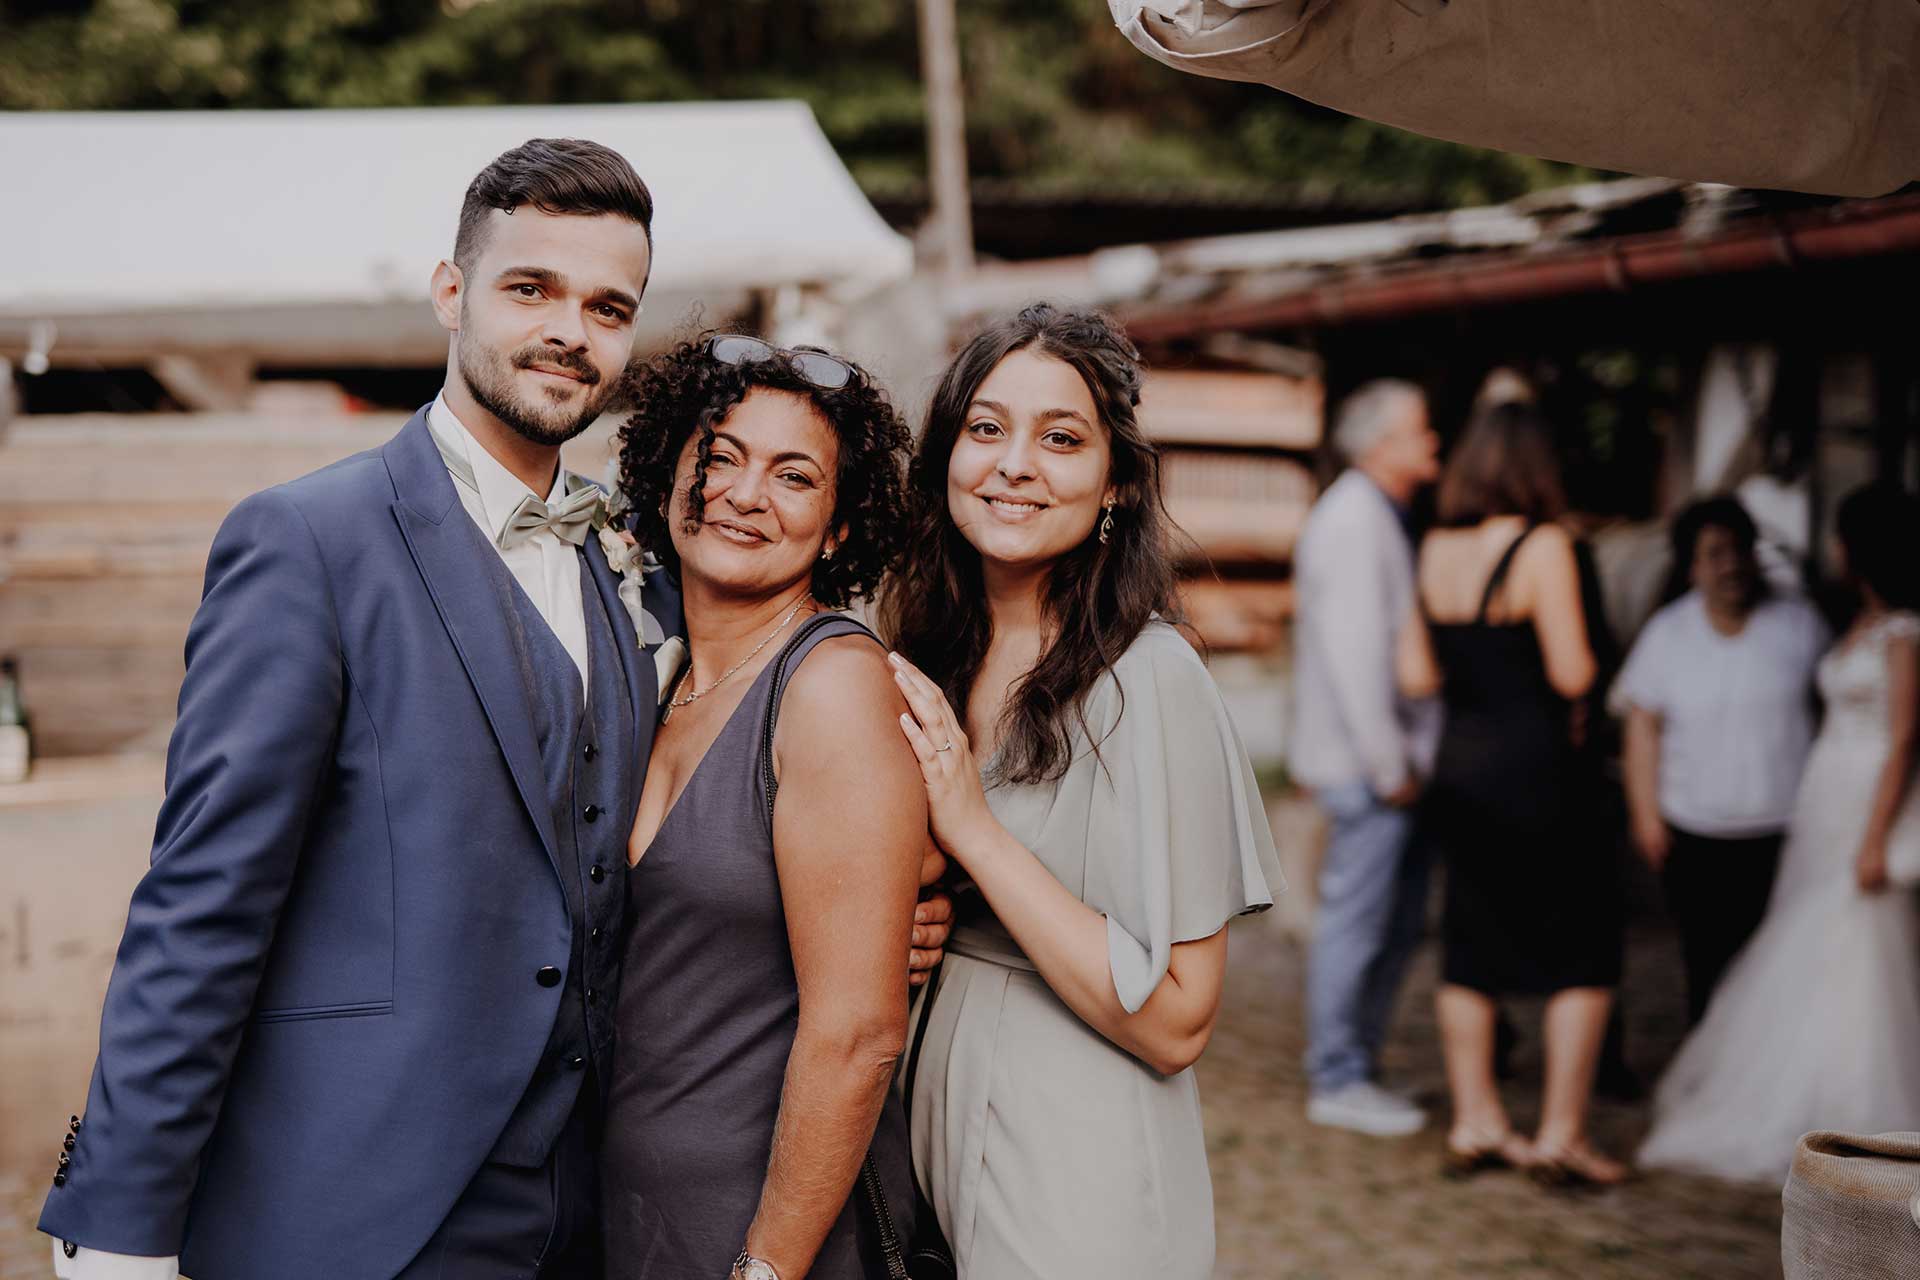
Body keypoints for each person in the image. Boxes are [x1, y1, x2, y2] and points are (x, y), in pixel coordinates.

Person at [38, 140, 950, 1280]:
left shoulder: (641, 576)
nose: (571, 328)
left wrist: (903, 904)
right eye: (533, 289)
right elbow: (200, 903)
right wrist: (117, 1220)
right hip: (350, 1213)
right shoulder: (311, 543)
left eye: (608, 305)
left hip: (579, 1221)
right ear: (452, 292)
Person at [881, 303, 1283, 1280]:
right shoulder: (922, 649)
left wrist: (975, 833)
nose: (1015, 463)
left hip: (1076, 1145)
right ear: (944, 456)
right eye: (986, 427)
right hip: (921, 1115)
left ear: (1114, 482)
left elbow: (1180, 1016)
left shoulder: (1152, 679)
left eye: (1061, 438)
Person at [600, 334, 924, 1280]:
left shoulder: (830, 686)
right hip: (628, 1220)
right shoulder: (653, 679)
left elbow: (859, 1034)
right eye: (723, 457)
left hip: (760, 1237)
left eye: (793, 476)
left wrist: (767, 1268)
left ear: (839, 527)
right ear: (671, 479)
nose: (745, 494)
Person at [1639, 485, 1920, 1184]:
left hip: (1859, 809)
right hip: (1819, 808)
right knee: (1800, 950)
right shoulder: (1857, 621)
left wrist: (1877, 835)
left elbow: (1905, 735)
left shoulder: (1894, 630)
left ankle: (1851, 1103)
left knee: (1858, 956)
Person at [1397, 401, 1627, 1186]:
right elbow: (1572, 673)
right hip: (1541, 771)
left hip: (1460, 766)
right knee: (1584, 949)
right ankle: (1561, 1135)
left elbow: (1416, 677)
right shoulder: (1545, 546)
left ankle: (1476, 1120)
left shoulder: (1432, 547)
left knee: (1469, 943)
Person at [1288, 379, 1443, 1136]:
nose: (1433, 444)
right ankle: (1338, 1074)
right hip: (1368, 768)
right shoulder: (1354, 520)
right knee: (1357, 922)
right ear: (1381, 444)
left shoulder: (1374, 514)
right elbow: (1355, 658)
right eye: (1420, 431)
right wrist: (1391, 766)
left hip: (1378, 764)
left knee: (1388, 923)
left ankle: (1357, 1063)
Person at [1612, 496, 1830, 1025]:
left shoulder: (1801, 625)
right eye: (1714, 554)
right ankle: (1709, 1076)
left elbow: (1832, 713)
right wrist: (1645, 814)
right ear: (1692, 567)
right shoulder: (1668, 633)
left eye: (1739, 550)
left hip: (1783, 828)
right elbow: (1643, 727)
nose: (1730, 564)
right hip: (1697, 829)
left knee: (1780, 965)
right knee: (1706, 961)